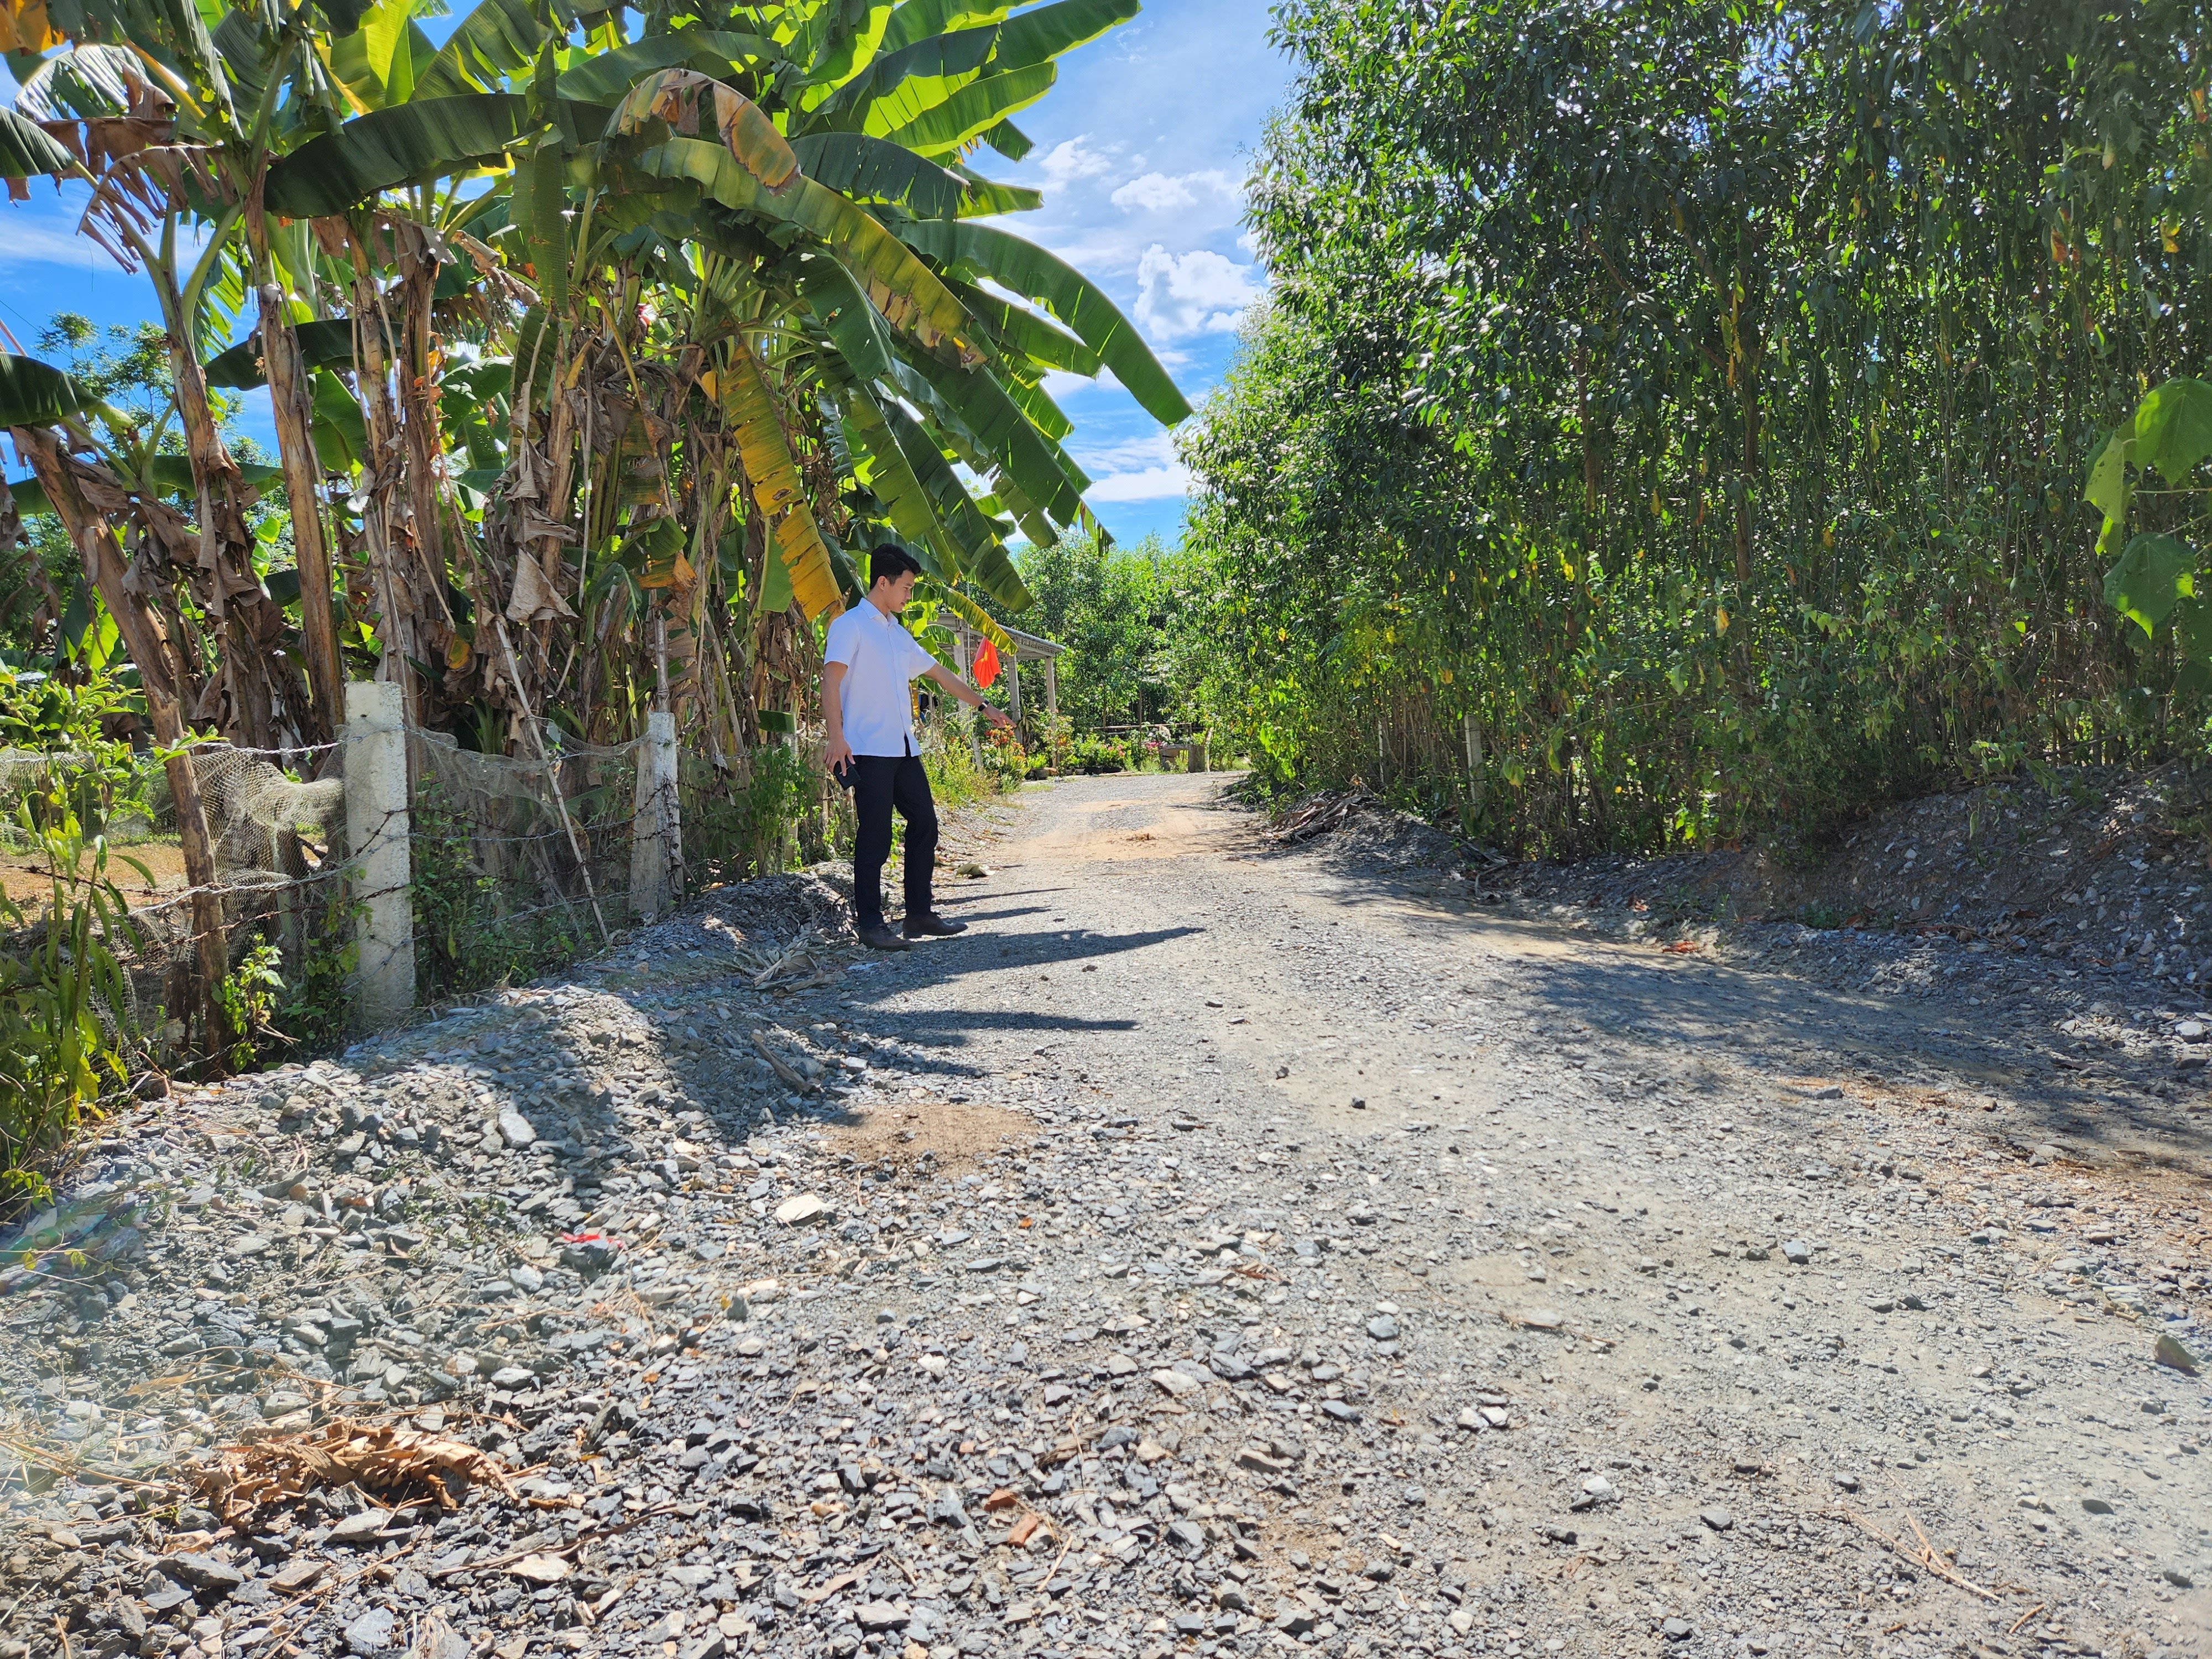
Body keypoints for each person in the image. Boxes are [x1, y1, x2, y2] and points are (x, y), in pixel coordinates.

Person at [822, 544, 1013, 952]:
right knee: (875, 837)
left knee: (925, 823)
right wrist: (837, 738)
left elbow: (941, 674)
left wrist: (984, 705)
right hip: (868, 750)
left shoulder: (898, 634)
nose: (909, 595)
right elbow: (830, 682)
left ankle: (919, 914)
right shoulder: (850, 626)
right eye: (906, 587)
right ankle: (871, 925)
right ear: (883, 582)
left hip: (905, 750)